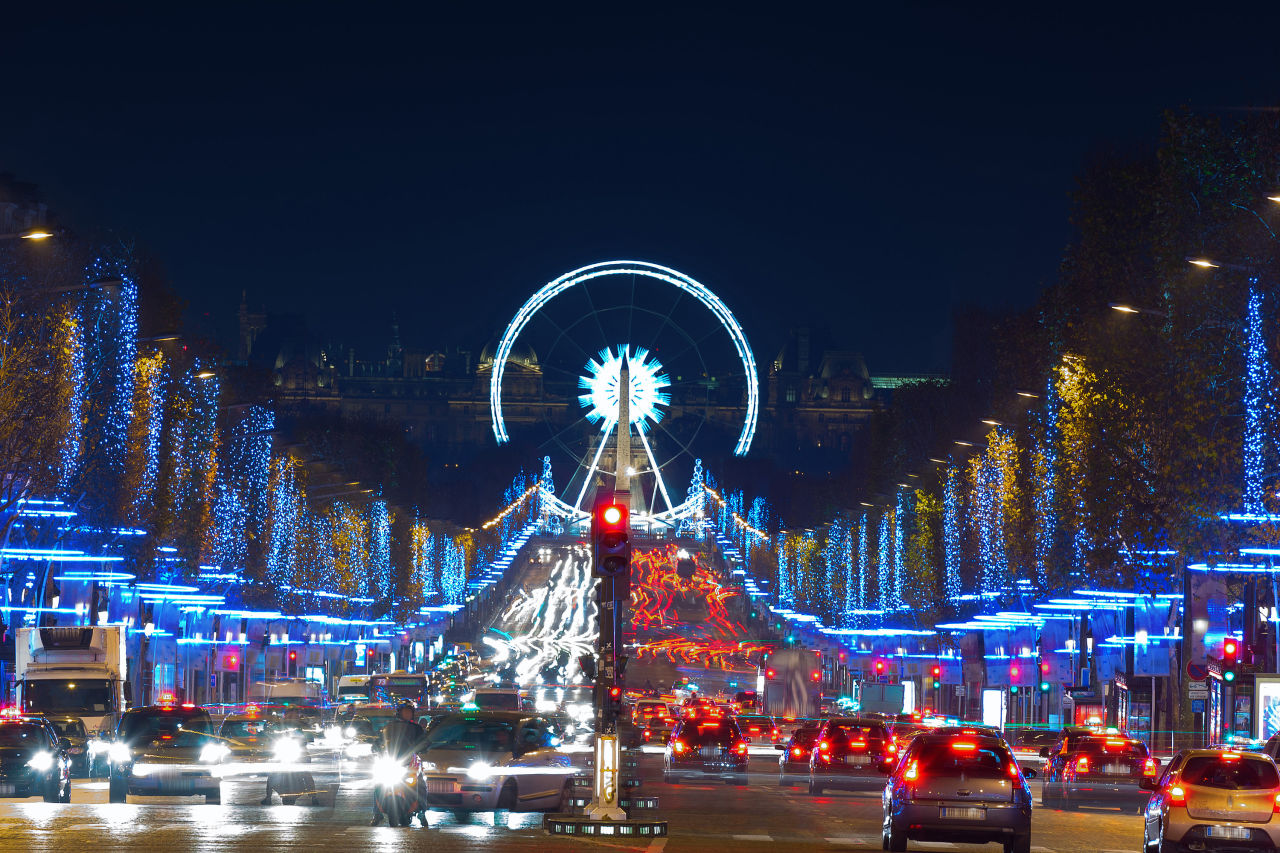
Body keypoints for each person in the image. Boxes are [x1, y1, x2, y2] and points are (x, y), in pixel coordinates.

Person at [369, 703, 427, 826]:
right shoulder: (389, 727)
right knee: (378, 783)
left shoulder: (416, 728)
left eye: (409, 712)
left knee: (420, 782)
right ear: (399, 713)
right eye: (405, 711)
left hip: (410, 761)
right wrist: (376, 748)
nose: (407, 714)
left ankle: (422, 811)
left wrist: (423, 747)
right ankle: (376, 813)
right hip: (391, 760)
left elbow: (424, 742)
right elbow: (379, 741)